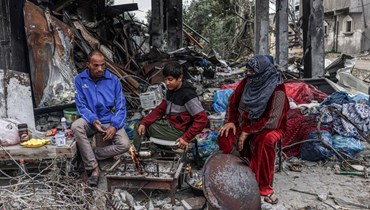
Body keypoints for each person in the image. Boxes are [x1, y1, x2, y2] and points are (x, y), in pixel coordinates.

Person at [218, 55, 289, 204]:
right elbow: (233, 102)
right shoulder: (247, 82)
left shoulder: (278, 89)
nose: (248, 74)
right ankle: (238, 171)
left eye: (252, 71)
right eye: (247, 70)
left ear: (262, 72)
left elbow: (273, 120)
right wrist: (230, 121)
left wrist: (248, 131)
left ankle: (263, 186)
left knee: (265, 141)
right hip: (245, 121)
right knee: (225, 135)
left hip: (269, 126)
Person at [71, 50, 130, 187]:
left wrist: (114, 125)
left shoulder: (113, 80)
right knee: (76, 126)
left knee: (125, 144)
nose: (100, 69)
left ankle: (89, 154)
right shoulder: (80, 80)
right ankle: (94, 168)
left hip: (109, 119)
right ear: (88, 65)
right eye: (96, 65)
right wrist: (93, 119)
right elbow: (81, 105)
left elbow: (121, 106)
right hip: (91, 120)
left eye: (103, 65)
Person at [132, 62, 208, 151]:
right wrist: (144, 122)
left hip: (178, 131)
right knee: (142, 124)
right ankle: (144, 152)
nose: (167, 83)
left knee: (139, 126)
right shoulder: (171, 90)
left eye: (170, 79)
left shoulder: (188, 94)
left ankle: (135, 154)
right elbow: (160, 110)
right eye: (165, 79)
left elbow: (202, 119)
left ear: (180, 78)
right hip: (169, 124)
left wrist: (186, 137)